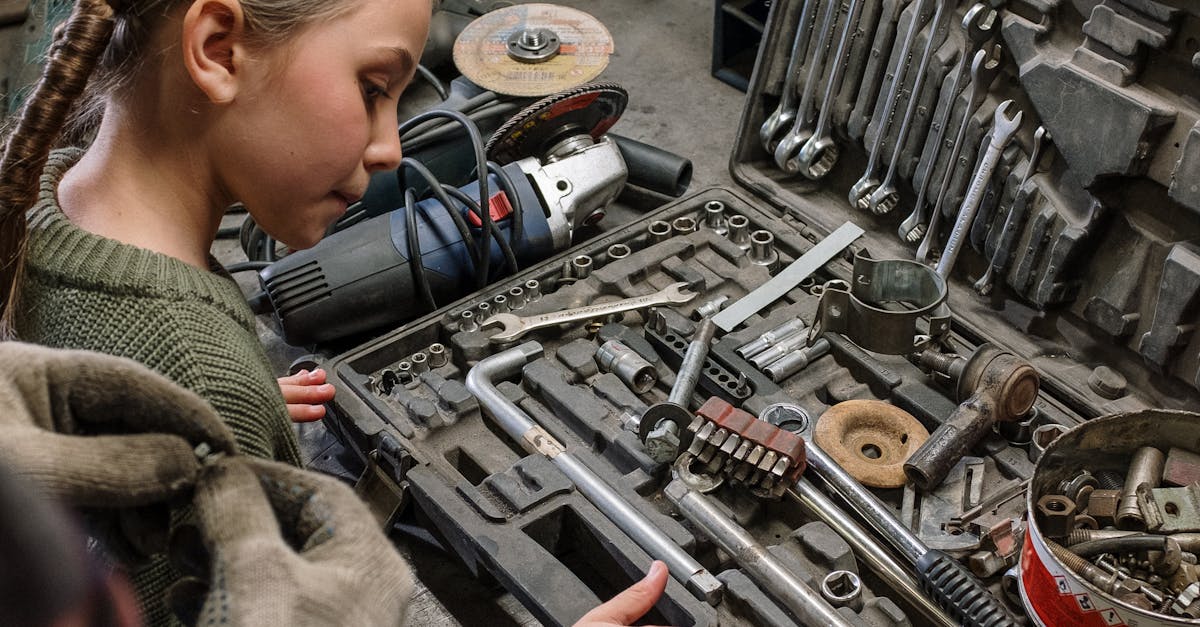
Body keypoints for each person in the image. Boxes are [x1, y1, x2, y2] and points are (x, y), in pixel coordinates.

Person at [0, 0, 669, 623]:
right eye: (373, 89)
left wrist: (237, 406)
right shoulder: (193, 368)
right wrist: (219, 400)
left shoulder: (50, 193)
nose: (391, 149)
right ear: (218, 50)